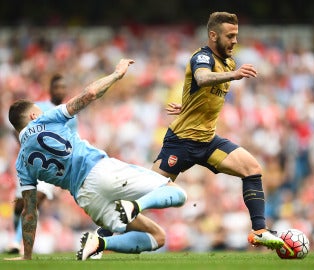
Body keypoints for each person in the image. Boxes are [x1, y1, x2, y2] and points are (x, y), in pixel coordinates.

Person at [5, 58, 187, 261]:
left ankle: (100, 243)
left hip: (86, 197)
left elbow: (29, 212)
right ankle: (136, 205)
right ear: (32, 116)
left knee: (158, 237)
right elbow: (89, 94)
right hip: (99, 170)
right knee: (177, 193)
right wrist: (117, 75)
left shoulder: (21, 163)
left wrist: (27, 255)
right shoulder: (46, 119)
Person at [151, 12, 284, 250]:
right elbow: (201, 79)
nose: (234, 40)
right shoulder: (202, 57)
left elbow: (202, 94)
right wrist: (235, 75)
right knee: (147, 190)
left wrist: (187, 105)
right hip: (181, 142)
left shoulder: (228, 61)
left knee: (252, 169)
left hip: (208, 142)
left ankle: (260, 231)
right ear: (213, 35)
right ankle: (101, 236)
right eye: (230, 36)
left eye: (236, 35)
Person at [5, 74, 77, 255]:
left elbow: (72, 140)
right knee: (20, 205)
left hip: (53, 164)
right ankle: (17, 236)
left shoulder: (70, 114)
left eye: (63, 87)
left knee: (36, 200)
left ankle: (17, 242)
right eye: (57, 87)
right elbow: (18, 130)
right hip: (31, 161)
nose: (61, 90)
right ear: (51, 88)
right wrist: (27, 146)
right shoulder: (37, 108)